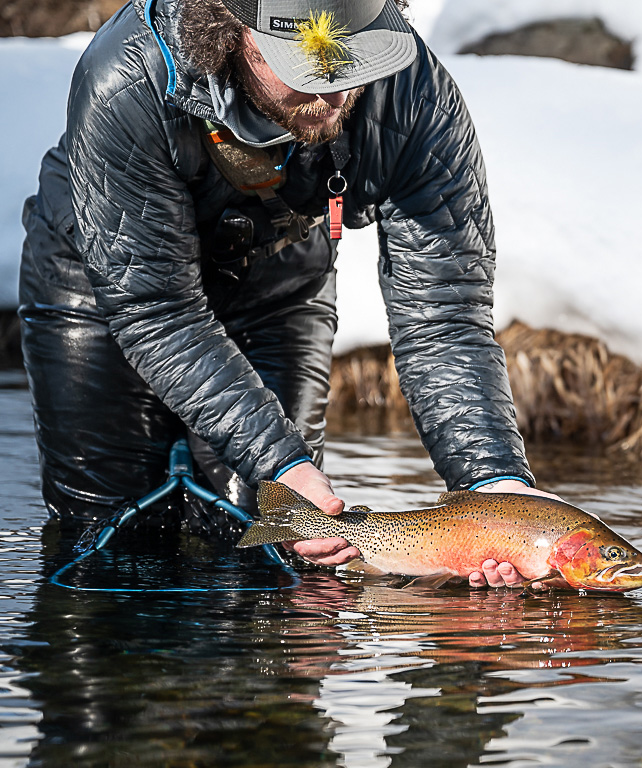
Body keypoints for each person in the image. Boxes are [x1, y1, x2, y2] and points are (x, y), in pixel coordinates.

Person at [19, 0, 547, 588]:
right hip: (105, 285)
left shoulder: (415, 95)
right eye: (309, 67)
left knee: (274, 545)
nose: (335, 95)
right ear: (227, 28)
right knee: (107, 543)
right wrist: (280, 458)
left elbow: (444, 317)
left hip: (278, 282)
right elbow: (160, 310)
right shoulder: (126, 79)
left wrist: (496, 487)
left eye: (355, 61)